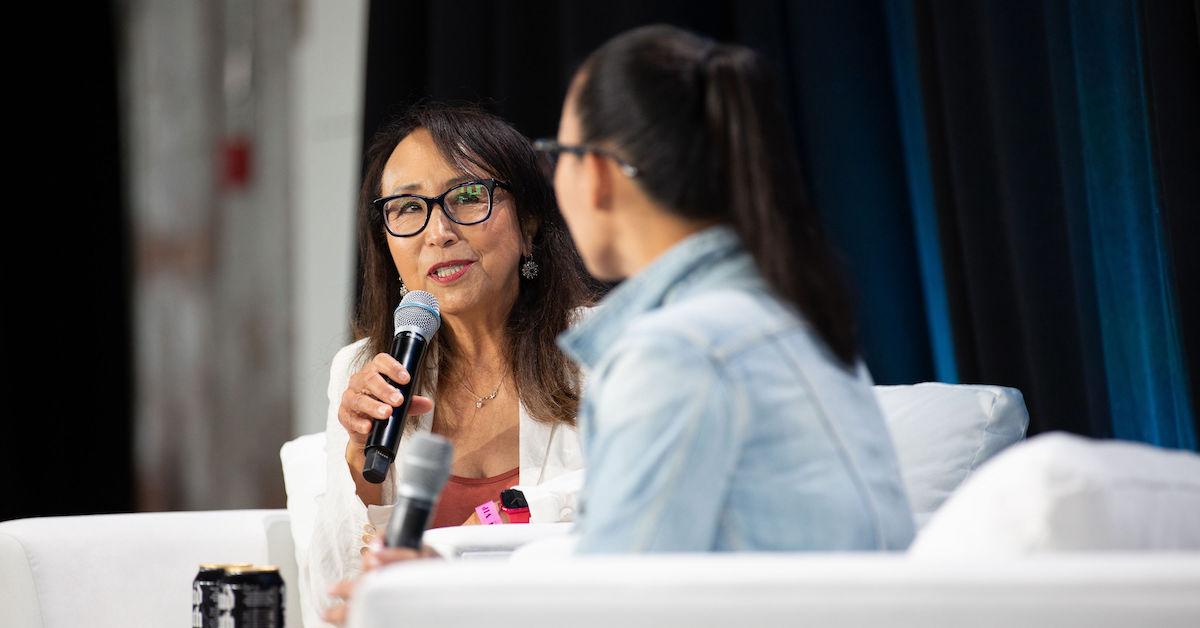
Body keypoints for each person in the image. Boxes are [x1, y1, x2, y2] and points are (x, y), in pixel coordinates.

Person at [539, 24, 915, 552]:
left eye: (559, 153)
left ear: (597, 172)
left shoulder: (675, 353)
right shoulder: (802, 323)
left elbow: (619, 602)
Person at [307, 103, 595, 626]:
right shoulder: (365, 367)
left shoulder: (600, 350)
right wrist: (358, 465)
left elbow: (628, 499)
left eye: (466, 197)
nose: (437, 232)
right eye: (407, 208)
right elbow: (333, 596)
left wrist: (498, 520)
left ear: (528, 223)